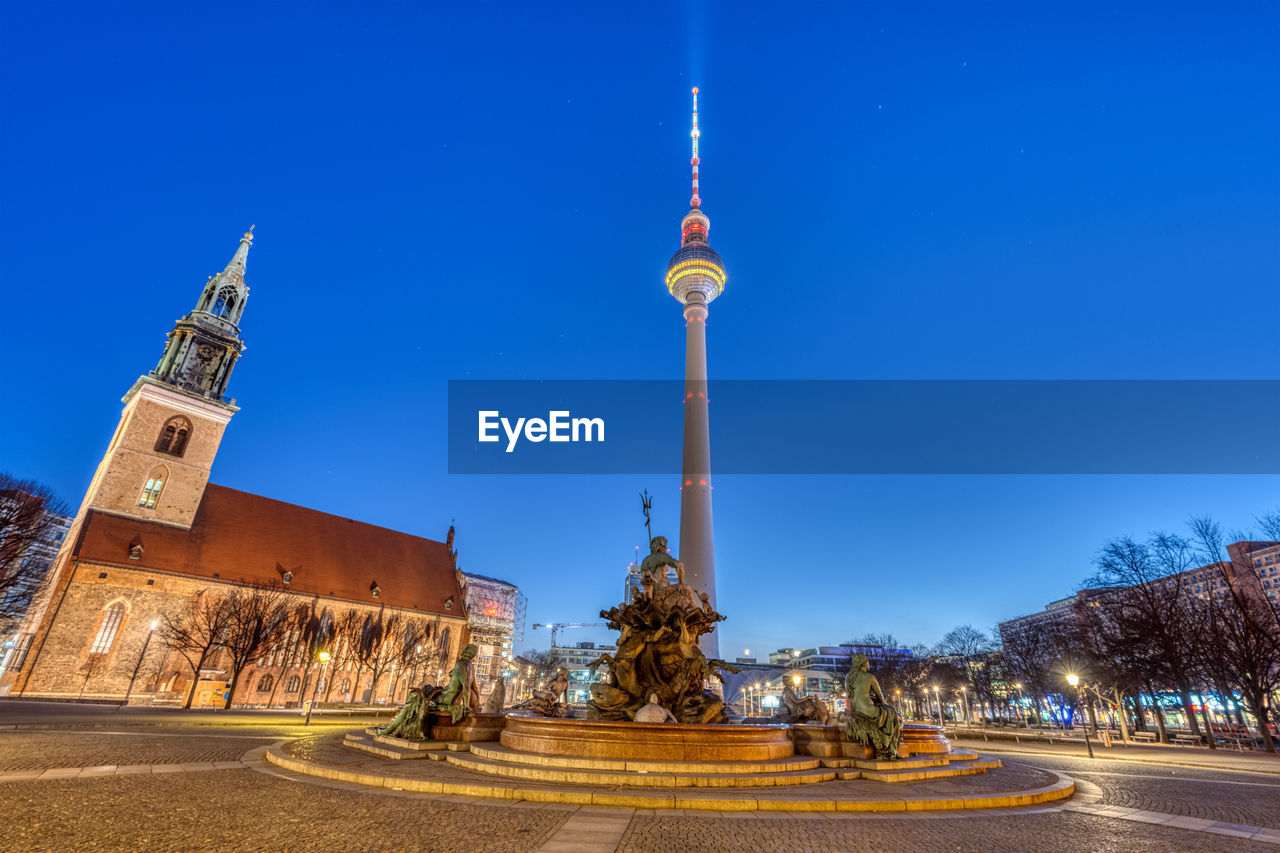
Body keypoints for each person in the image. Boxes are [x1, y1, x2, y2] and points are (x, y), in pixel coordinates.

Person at [844, 653, 903, 760]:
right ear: (863, 663)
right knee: (891, 712)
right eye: (867, 661)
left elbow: (852, 695)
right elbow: (880, 698)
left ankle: (891, 749)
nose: (868, 663)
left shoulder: (848, 677)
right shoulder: (870, 677)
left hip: (854, 710)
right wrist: (875, 699)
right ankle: (890, 749)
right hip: (868, 711)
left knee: (889, 713)